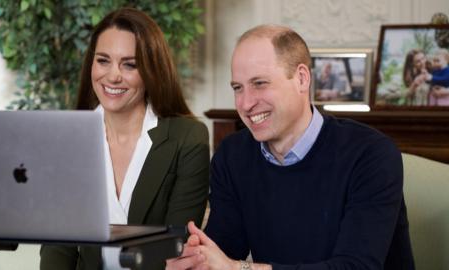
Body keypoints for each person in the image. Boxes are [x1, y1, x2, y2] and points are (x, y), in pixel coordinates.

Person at [167, 24, 414, 270]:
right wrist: (195, 259)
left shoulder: (371, 154)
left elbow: (356, 266)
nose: (245, 103)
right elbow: (221, 251)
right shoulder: (233, 155)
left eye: (260, 83)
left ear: (302, 79)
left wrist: (238, 269)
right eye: (237, 88)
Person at [40, 7, 210, 270]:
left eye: (129, 64)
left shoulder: (188, 139)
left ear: (152, 70)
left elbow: (178, 252)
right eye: (103, 60)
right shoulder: (69, 140)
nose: (113, 76)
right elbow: (57, 251)